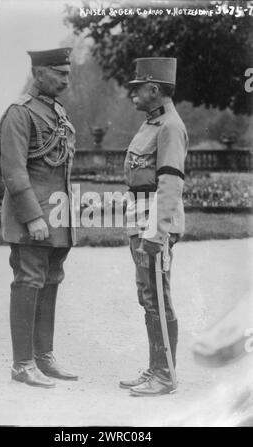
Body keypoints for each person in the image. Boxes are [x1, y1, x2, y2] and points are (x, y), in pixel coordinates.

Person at [0, 47, 78, 388]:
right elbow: (15, 171)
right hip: (32, 219)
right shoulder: (19, 113)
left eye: (67, 71)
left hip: (57, 218)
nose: (66, 77)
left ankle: (43, 356)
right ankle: (22, 363)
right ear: (39, 73)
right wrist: (33, 216)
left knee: (50, 281)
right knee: (28, 281)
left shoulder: (57, 111)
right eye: (59, 72)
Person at [120, 57, 188, 396]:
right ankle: (156, 369)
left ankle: (165, 376)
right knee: (148, 295)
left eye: (137, 89)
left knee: (158, 295)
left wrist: (158, 232)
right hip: (142, 219)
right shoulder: (153, 123)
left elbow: (171, 183)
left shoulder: (170, 126)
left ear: (154, 89)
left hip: (154, 222)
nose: (132, 94)